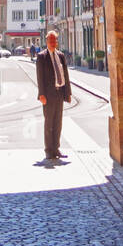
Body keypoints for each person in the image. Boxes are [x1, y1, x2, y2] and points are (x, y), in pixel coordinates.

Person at [35, 30, 72, 163]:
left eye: (54, 40)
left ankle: (56, 149)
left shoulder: (61, 56)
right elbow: (40, 77)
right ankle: (48, 150)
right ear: (47, 41)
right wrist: (41, 94)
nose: (52, 42)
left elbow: (65, 75)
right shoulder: (42, 56)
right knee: (49, 123)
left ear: (56, 41)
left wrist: (67, 93)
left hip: (59, 93)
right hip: (48, 95)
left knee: (58, 123)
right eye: (50, 40)